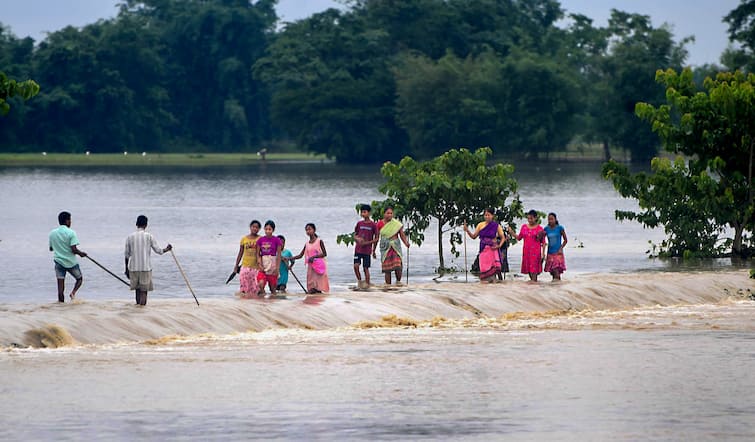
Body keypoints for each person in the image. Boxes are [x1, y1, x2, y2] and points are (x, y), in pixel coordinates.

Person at [124, 215, 172, 306]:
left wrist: (126, 270)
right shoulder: (149, 236)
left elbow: (126, 255)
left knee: (137, 291)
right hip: (145, 268)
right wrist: (167, 249)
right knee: (144, 292)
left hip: (133, 268)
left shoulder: (130, 237)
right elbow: (159, 251)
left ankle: (137, 310)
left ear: (136, 224)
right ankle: (142, 313)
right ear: (146, 225)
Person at [48, 211, 88, 302]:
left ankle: (61, 308)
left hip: (59, 262)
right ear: (66, 221)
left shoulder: (52, 233)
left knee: (60, 290)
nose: (70, 222)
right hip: (71, 263)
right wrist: (81, 253)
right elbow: (74, 249)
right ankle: (73, 293)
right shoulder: (71, 233)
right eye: (70, 220)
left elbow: (51, 249)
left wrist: (60, 247)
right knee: (79, 279)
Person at [464, 208, 505, 283]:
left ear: (492, 216)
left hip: (493, 249)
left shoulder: (496, 226)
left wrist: (499, 246)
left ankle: (497, 284)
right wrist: (467, 230)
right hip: (483, 250)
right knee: (484, 269)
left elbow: (503, 238)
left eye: (488, 215)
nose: (487, 217)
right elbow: (474, 236)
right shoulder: (480, 225)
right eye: (485, 215)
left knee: (494, 268)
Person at [508, 209, 546, 282]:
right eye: (528, 218)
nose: (529, 220)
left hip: (535, 253)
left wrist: (543, 254)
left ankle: (534, 285)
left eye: (531, 218)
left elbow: (543, 242)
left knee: (534, 271)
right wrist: (511, 232)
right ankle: (532, 287)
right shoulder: (524, 227)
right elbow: (519, 238)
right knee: (529, 270)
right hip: (526, 252)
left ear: (535, 218)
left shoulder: (540, 229)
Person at [291, 223, 330, 294]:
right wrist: (289, 258)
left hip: (319, 266)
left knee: (318, 287)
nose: (308, 231)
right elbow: (300, 255)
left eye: (309, 229)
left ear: (314, 230)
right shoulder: (307, 244)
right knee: (311, 286)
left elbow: (324, 254)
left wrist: (314, 257)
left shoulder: (319, 241)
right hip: (311, 267)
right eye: (306, 230)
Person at [376, 207, 410, 285]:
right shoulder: (379, 224)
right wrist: (373, 249)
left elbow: (402, 235)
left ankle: (398, 282)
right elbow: (377, 237)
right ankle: (388, 286)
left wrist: (406, 243)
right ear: (384, 214)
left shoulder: (397, 224)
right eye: (388, 213)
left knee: (398, 266)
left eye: (391, 213)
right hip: (385, 246)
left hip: (395, 246)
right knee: (387, 269)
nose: (390, 215)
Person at [233, 220, 261, 298]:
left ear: (259, 229)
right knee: (244, 288)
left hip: (256, 267)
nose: (255, 229)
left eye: (257, 227)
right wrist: (236, 265)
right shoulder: (244, 239)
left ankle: (254, 304)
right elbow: (240, 253)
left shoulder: (260, 239)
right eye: (253, 227)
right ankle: (245, 304)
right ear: (250, 227)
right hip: (245, 266)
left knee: (255, 288)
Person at [353, 204, 378, 289]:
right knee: (356, 266)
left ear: (369, 213)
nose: (363, 214)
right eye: (361, 212)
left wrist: (369, 245)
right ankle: (360, 282)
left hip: (367, 250)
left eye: (364, 212)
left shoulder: (373, 225)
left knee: (365, 268)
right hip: (358, 249)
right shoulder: (359, 223)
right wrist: (357, 239)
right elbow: (355, 235)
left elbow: (376, 239)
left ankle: (367, 284)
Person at [256, 220, 283, 297]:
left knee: (273, 289)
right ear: (264, 229)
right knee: (260, 284)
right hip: (264, 264)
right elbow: (258, 254)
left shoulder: (277, 240)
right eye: (266, 229)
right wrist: (259, 264)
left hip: (273, 265)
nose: (267, 231)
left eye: (269, 229)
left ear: (273, 230)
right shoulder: (260, 240)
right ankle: (262, 296)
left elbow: (278, 255)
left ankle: (272, 305)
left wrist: (277, 268)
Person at [544, 212, 568, 281]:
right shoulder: (546, 229)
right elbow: (541, 239)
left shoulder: (560, 228)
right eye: (549, 219)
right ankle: (556, 288)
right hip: (550, 253)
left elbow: (566, 240)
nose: (550, 221)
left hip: (558, 253)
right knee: (552, 272)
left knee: (556, 271)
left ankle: (557, 286)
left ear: (555, 219)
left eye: (552, 219)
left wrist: (561, 248)